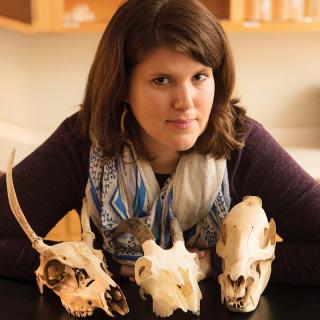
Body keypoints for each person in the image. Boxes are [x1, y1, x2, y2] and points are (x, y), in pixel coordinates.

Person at [1, 0, 320, 286]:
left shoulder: (243, 144)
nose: (186, 102)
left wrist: (221, 264)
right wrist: (105, 266)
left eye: (199, 77)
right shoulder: (83, 142)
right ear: (123, 85)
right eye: (162, 80)